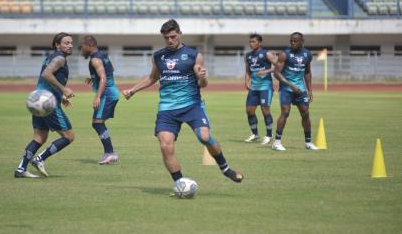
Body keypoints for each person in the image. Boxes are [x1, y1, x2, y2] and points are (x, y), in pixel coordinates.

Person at [122, 19, 244, 186]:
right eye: (166, 38)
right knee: (165, 146)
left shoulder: (194, 55)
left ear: (180, 34)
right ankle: (180, 183)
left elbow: (203, 83)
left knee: (204, 137)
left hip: (191, 105)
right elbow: (152, 77)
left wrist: (203, 78)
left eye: (173, 36)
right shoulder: (158, 56)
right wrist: (132, 90)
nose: (170, 40)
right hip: (167, 108)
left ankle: (225, 168)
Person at [14, 32, 75, 178]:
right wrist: (64, 89)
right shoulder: (60, 58)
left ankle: (21, 169)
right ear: (57, 45)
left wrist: (61, 97)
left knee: (39, 137)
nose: (70, 45)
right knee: (69, 136)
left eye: (71, 43)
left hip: (37, 100)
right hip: (47, 103)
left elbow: (46, 80)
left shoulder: (51, 57)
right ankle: (39, 159)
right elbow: (47, 75)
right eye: (66, 43)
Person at [272, 32, 318, 151]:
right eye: (291, 41)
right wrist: (290, 85)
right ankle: (276, 142)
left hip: (301, 89)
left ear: (302, 41)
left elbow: (307, 72)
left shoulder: (307, 54)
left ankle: (308, 142)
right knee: (285, 113)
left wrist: (310, 90)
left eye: (295, 41)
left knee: (305, 113)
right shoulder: (284, 54)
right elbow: (276, 73)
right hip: (286, 88)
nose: (292, 43)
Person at [80, 35, 120, 164]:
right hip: (110, 92)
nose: (81, 48)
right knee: (98, 123)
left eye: (82, 46)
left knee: (97, 123)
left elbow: (103, 78)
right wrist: (94, 80)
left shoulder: (95, 59)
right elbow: (111, 70)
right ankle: (110, 152)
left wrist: (97, 96)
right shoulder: (102, 55)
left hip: (106, 95)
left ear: (89, 45)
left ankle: (110, 153)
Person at [244, 33, 277, 145]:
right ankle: (255, 134)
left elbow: (279, 66)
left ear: (259, 42)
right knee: (249, 111)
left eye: (254, 41)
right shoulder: (248, 56)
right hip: (254, 87)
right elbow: (248, 71)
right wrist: (246, 81)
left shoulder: (267, 54)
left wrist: (266, 71)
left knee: (265, 110)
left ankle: (269, 135)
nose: (251, 43)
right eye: (250, 42)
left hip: (265, 87)